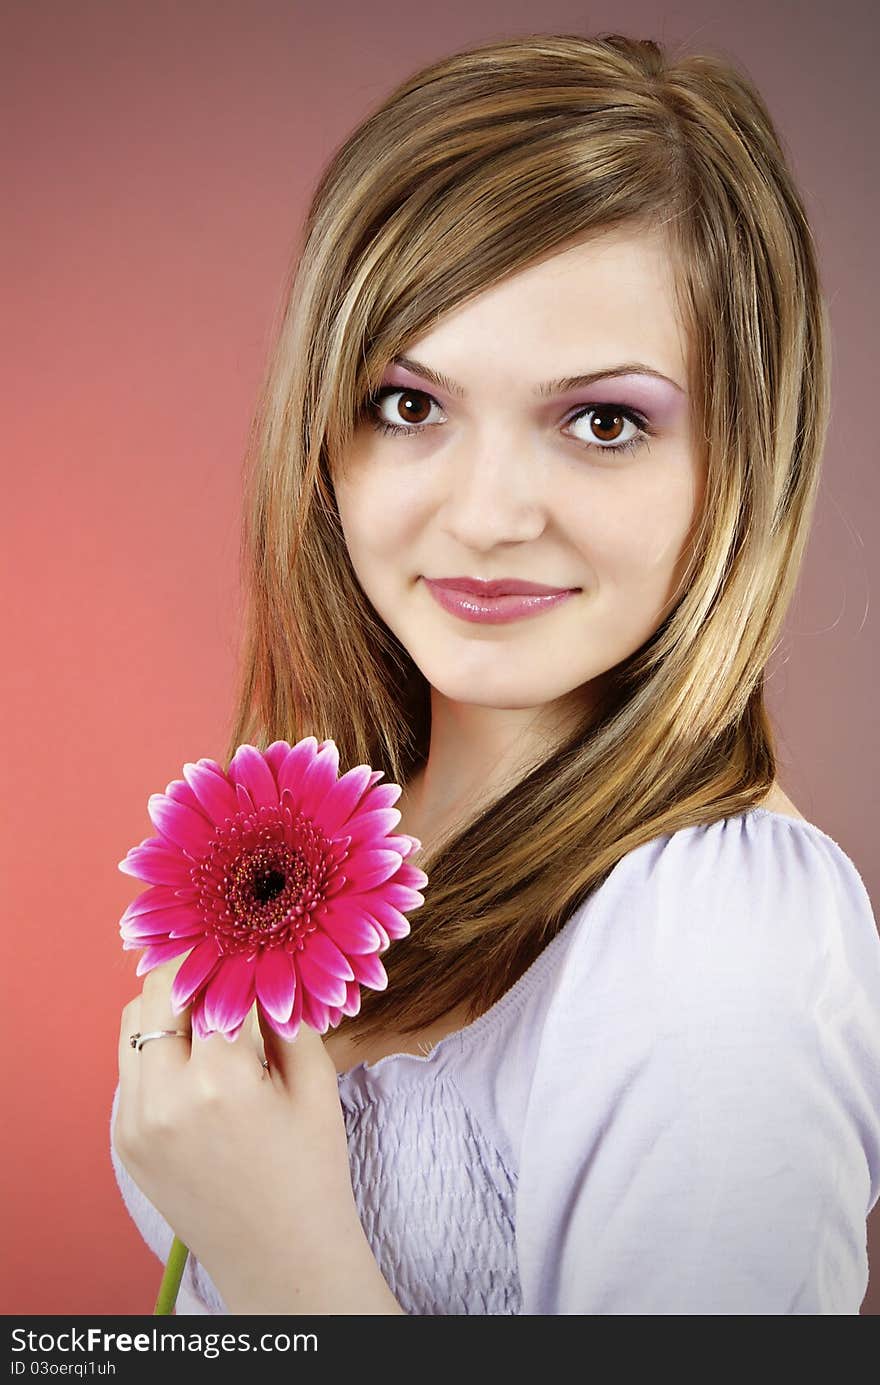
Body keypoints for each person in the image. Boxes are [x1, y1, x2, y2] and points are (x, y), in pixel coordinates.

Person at [109, 31, 880, 1314]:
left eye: (602, 421)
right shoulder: (341, 829)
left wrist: (283, 1260)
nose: (486, 515)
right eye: (411, 404)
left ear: (739, 461)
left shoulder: (726, 939)